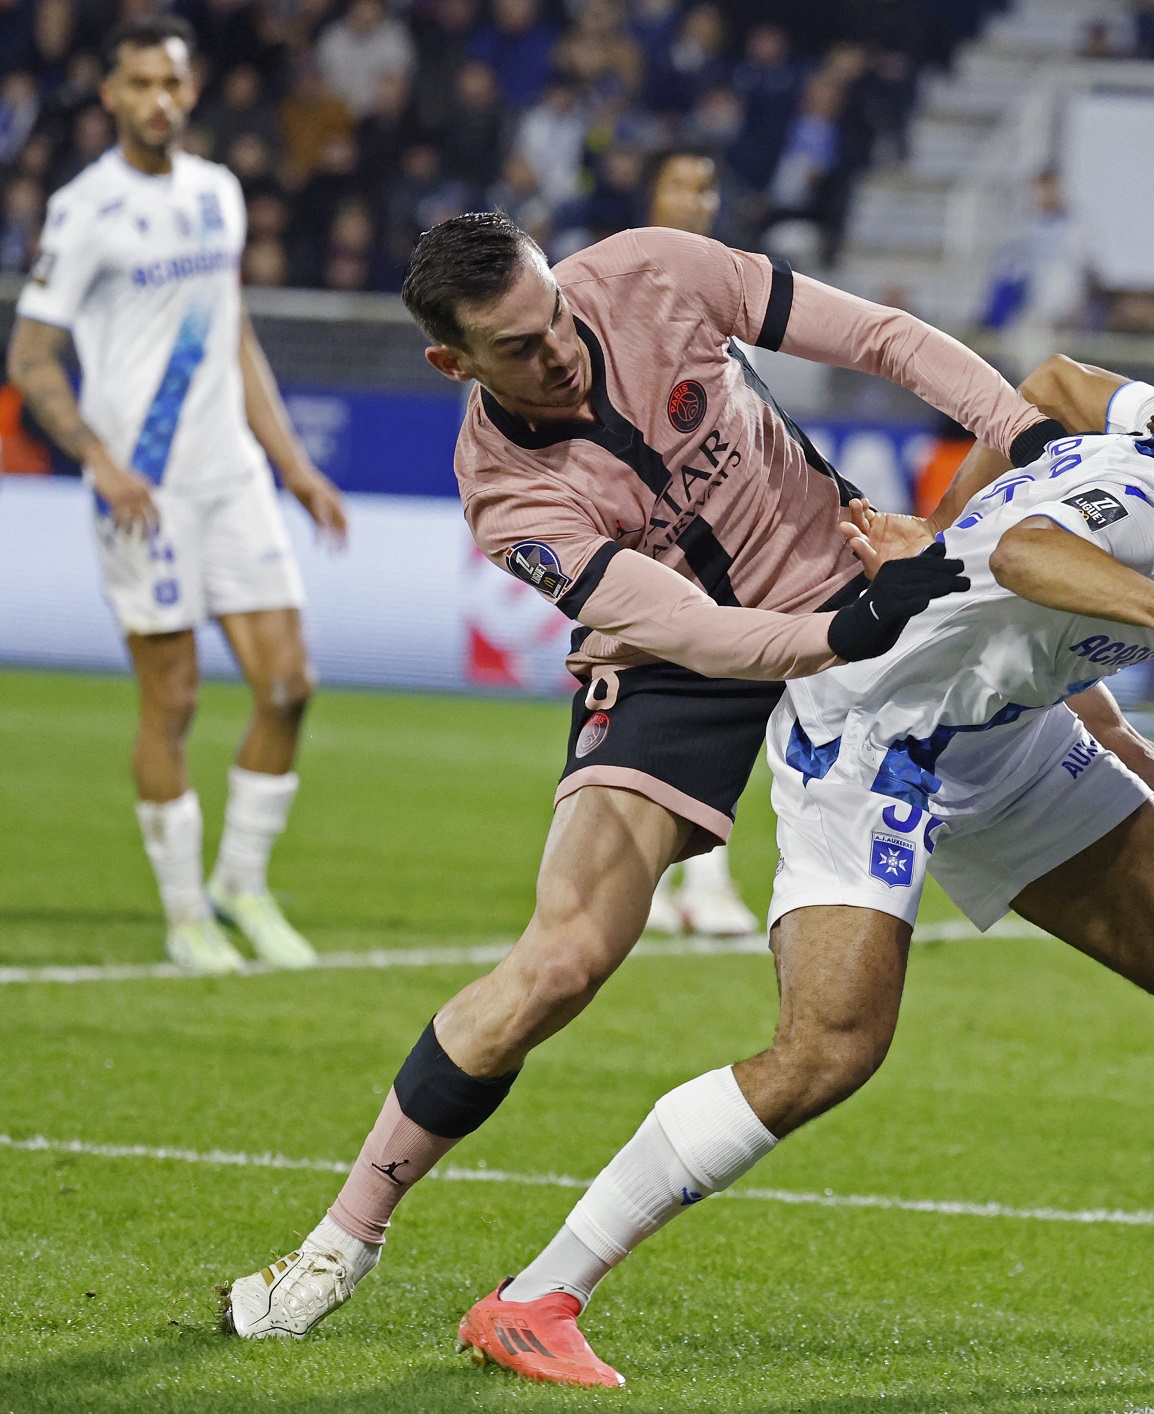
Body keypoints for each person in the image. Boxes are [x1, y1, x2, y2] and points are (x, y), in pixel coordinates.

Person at [454, 299, 1154, 1389]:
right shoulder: (1136, 510)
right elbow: (1028, 548)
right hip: (874, 737)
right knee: (829, 1048)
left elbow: (1061, 384)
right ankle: (535, 1295)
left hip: (1003, 736)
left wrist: (941, 535)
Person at [220, 210, 1067, 1337]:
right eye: (516, 348)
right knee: (560, 960)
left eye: (554, 316)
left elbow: (881, 340)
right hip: (682, 663)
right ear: (451, 363)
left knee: (1098, 746)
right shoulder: (503, 494)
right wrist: (853, 632)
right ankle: (340, 1242)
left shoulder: (654, 270)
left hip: (843, 570)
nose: (557, 349)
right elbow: (697, 632)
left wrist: (1015, 426)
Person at [6, 16, 348, 976]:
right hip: (141, 489)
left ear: (191, 92)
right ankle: (185, 912)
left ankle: (242, 885)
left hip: (230, 475)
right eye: (142, 82)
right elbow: (31, 359)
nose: (161, 97)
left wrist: (291, 465)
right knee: (175, 701)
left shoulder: (219, 194)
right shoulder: (85, 210)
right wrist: (101, 462)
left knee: (289, 686)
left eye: (174, 82)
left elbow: (230, 334)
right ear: (111, 94)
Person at [638, 141, 762, 937]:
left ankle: (698, 881)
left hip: (718, 539)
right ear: (650, 193)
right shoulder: (616, 291)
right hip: (646, 540)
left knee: (722, 702)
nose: (697, 201)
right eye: (681, 184)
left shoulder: (723, 294)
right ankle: (654, 882)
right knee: (650, 701)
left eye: (707, 188)